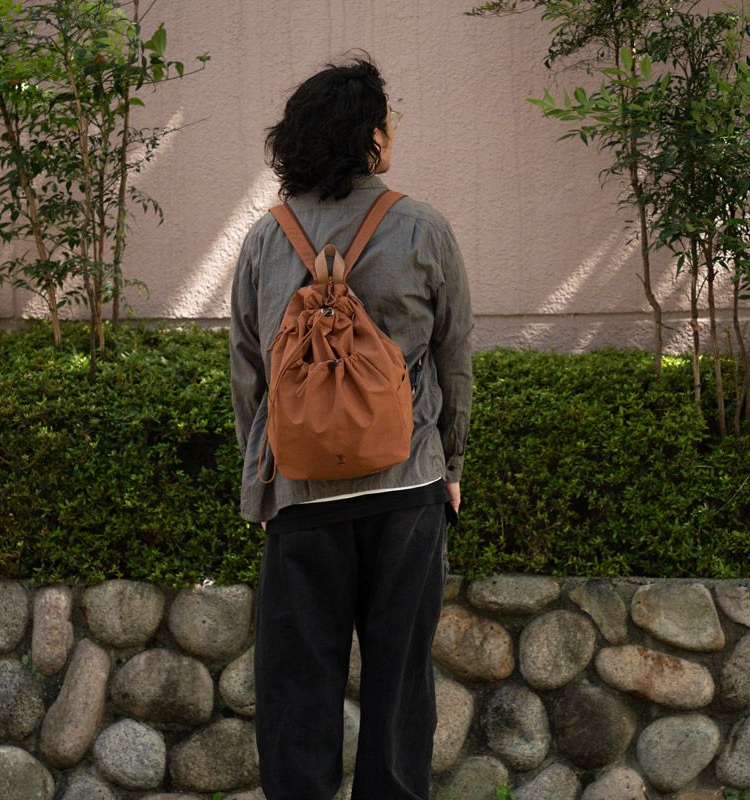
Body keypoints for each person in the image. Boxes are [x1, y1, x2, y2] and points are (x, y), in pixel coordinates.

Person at [229, 55, 473, 800]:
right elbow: (454, 360)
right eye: (388, 123)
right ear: (368, 136)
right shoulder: (423, 227)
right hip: (407, 487)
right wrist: (451, 466)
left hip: (301, 492)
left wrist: (263, 484)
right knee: (399, 685)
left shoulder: (265, 240)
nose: (394, 133)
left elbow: (250, 376)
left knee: (298, 688)